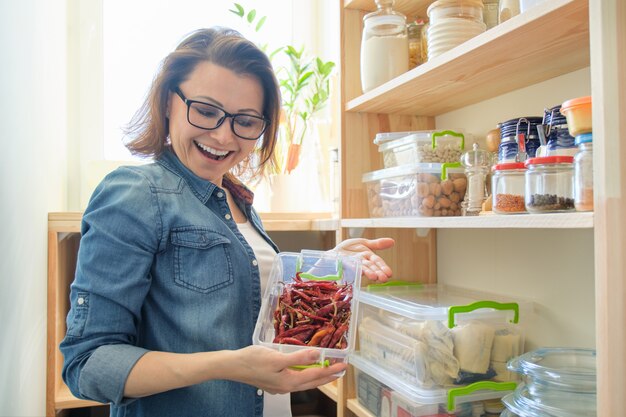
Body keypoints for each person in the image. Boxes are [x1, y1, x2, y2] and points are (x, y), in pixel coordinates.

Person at [60, 27, 394, 417]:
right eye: (205, 111)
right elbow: (88, 366)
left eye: (246, 121)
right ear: (169, 101)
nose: (223, 135)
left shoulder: (237, 200)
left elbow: (249, 306)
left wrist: (329, 267)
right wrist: (229, 366)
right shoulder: (136, 193)